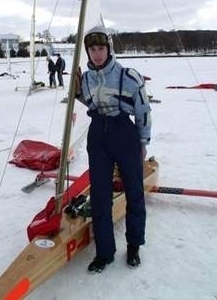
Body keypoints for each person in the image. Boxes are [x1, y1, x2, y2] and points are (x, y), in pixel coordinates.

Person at [76, 25, 151, 273]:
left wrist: (142, 143)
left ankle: (134, 246)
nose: (97, 54)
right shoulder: (85, 78)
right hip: (98, 135)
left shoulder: (128, 76)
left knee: (134, 191)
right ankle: (104, 253)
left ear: (109, 49)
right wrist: (76, 90)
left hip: (124, 133)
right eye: (92, 49)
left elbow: (142, 111)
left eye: (101, 48)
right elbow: (89, 100)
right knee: (99, 195)